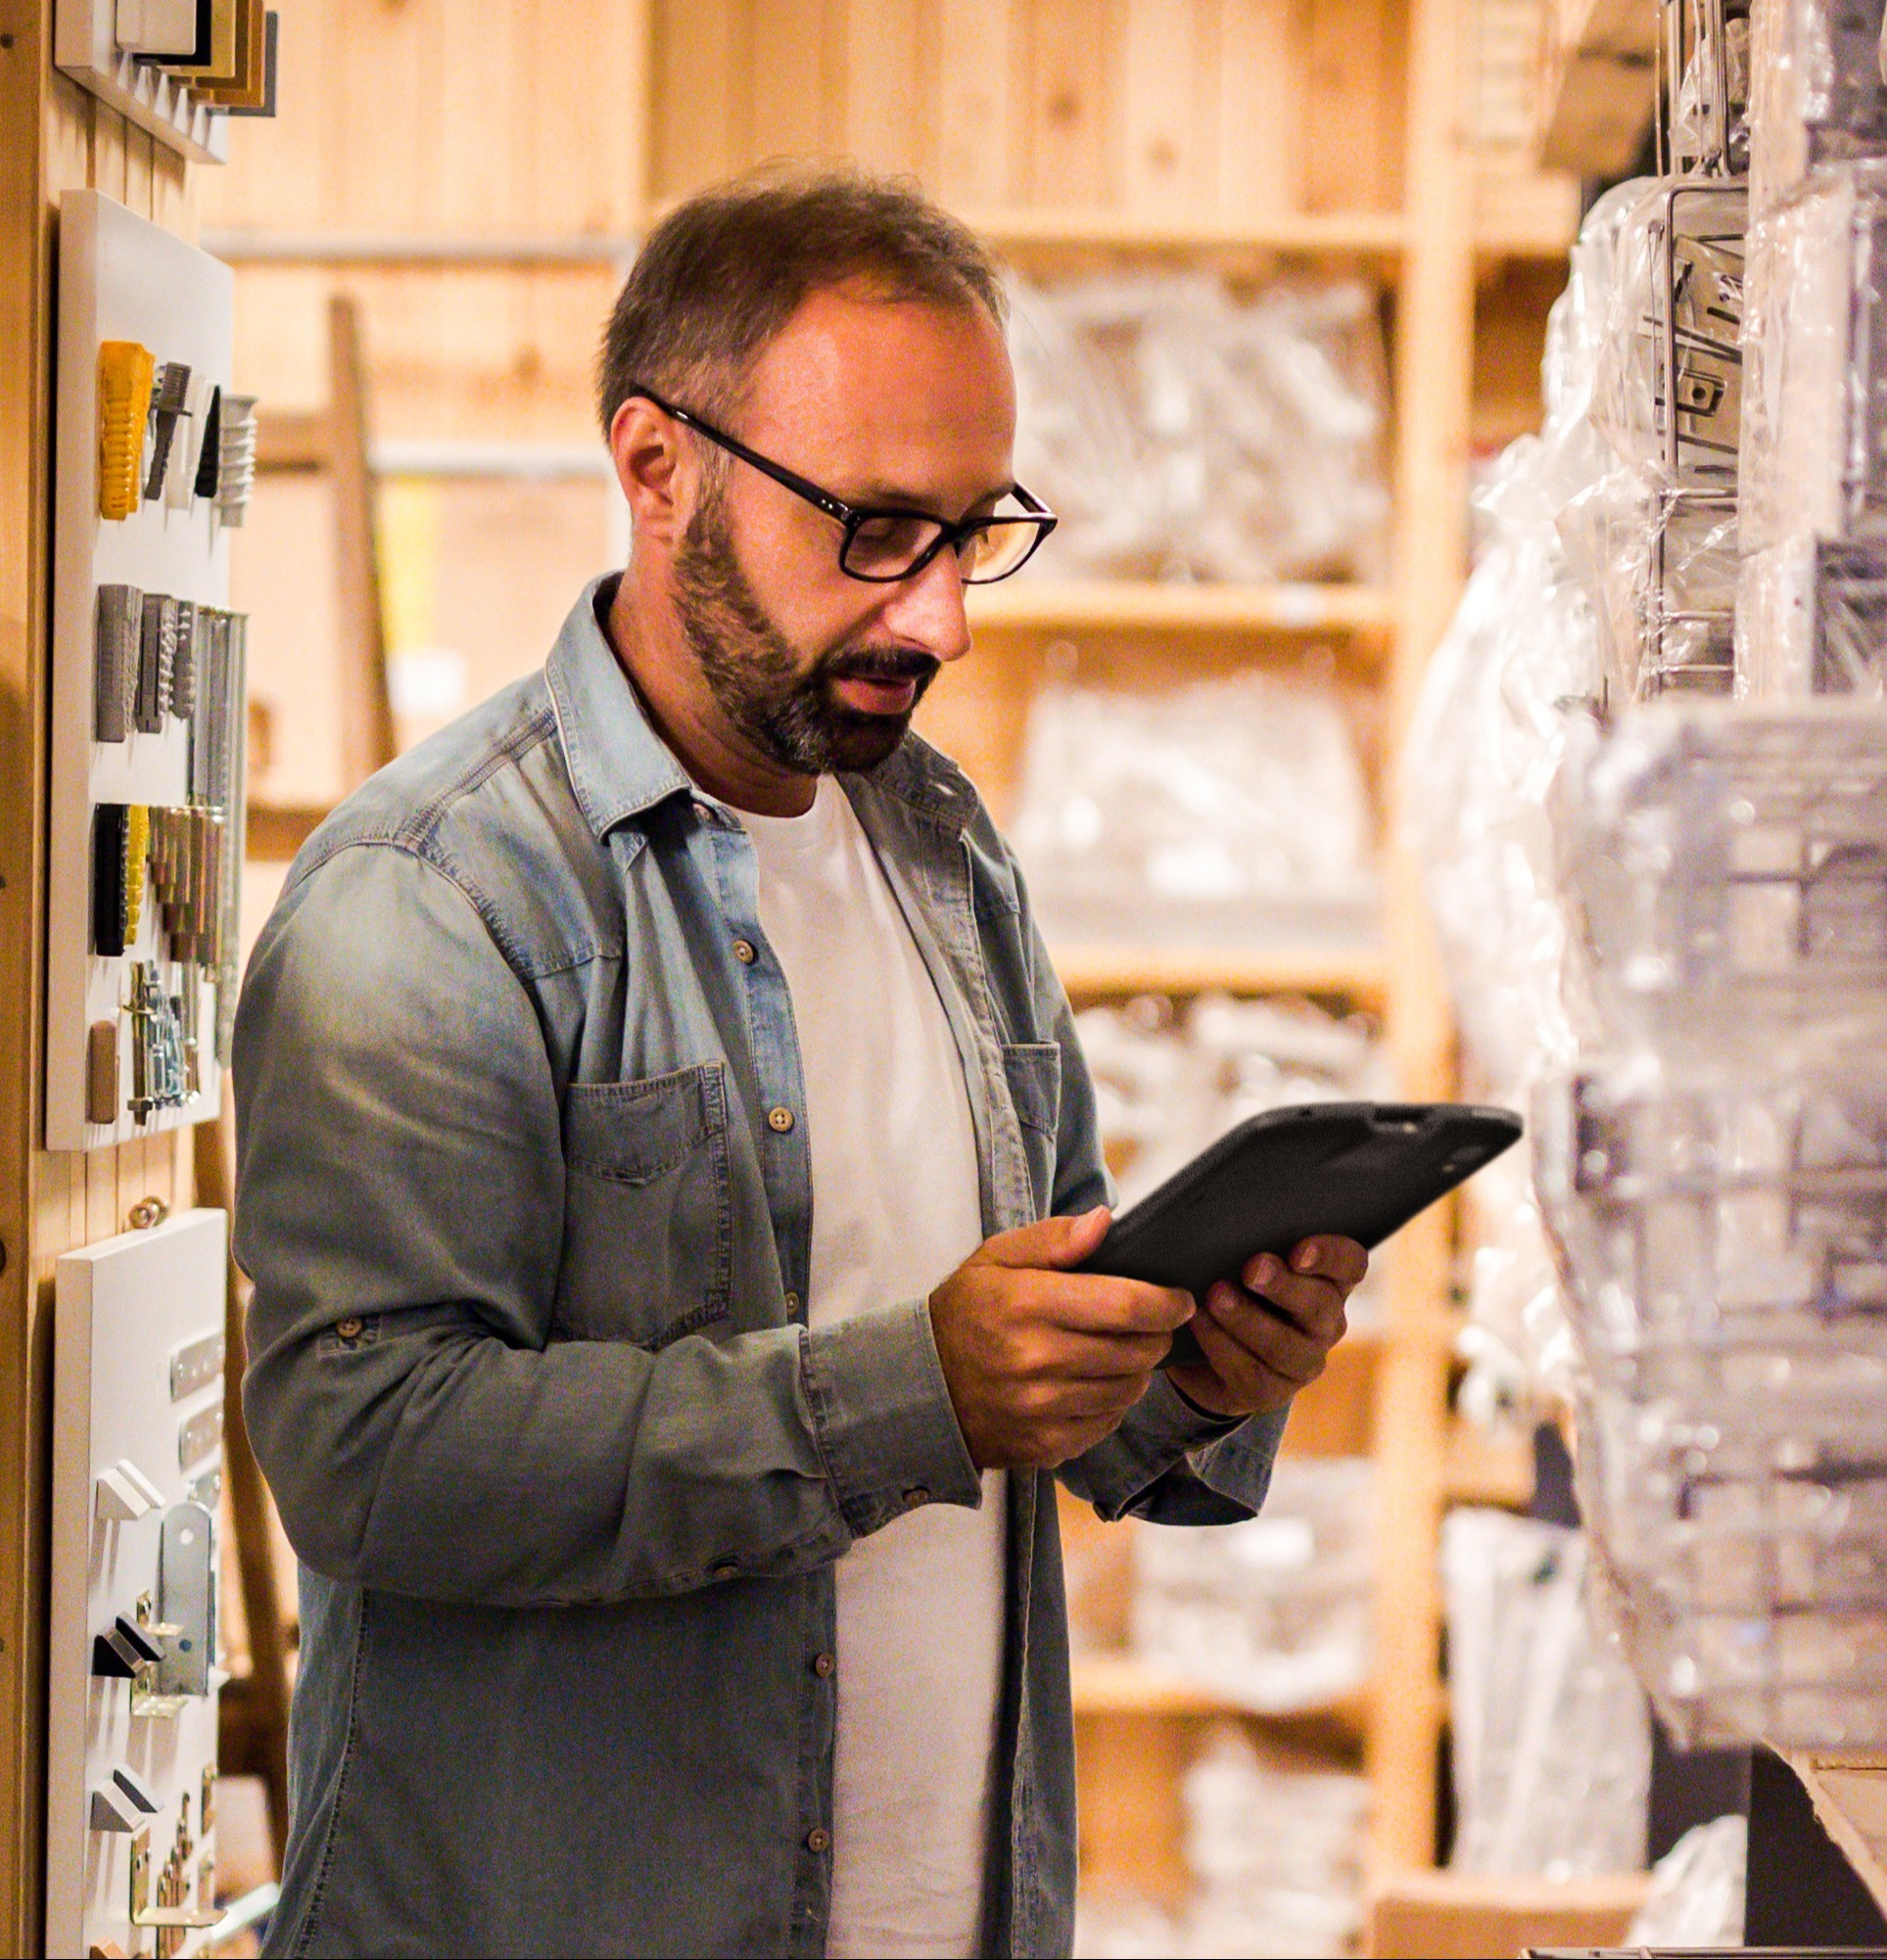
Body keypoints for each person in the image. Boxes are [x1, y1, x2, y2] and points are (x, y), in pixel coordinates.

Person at [232, 167, 1368, 1960]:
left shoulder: (937, 844)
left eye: (976, 532)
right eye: (874, 529)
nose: (941, 621)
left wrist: (1202, 1366)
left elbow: (1048, 1363)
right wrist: (912, 1391)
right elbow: (365, 1451)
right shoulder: (431, 898)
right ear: (653, 465)